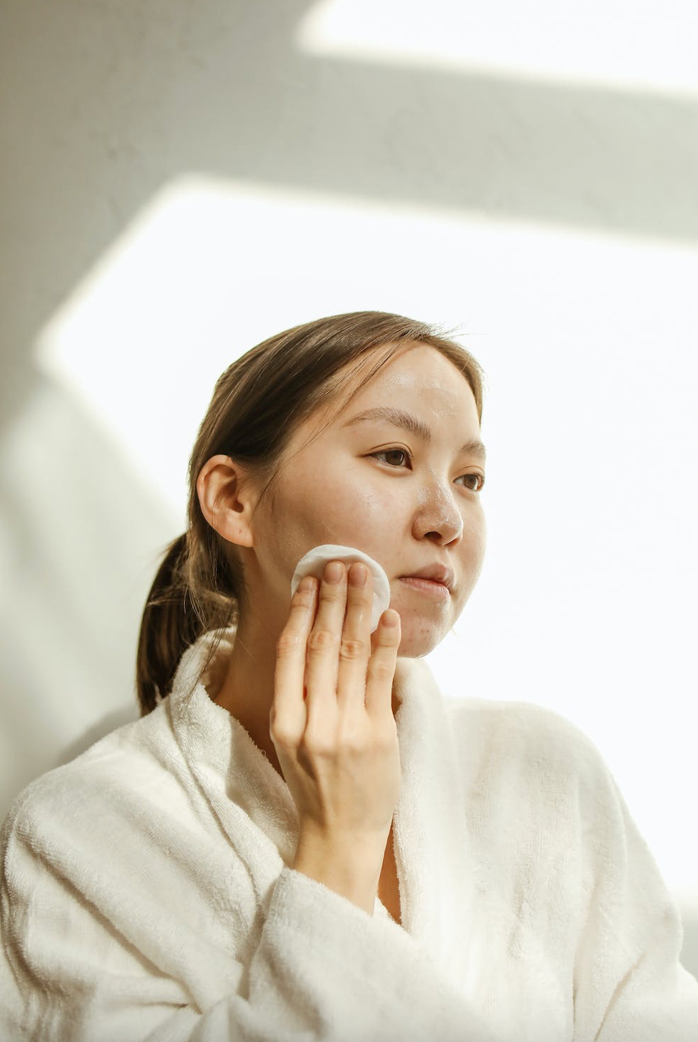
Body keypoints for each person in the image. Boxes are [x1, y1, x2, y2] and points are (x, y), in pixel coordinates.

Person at [1, 310, 696, 1042]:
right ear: (234, 500)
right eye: (394, 455)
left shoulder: (544, 771)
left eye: (470, 478)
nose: (447, 519)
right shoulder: (78, 832)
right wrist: (340, 843)